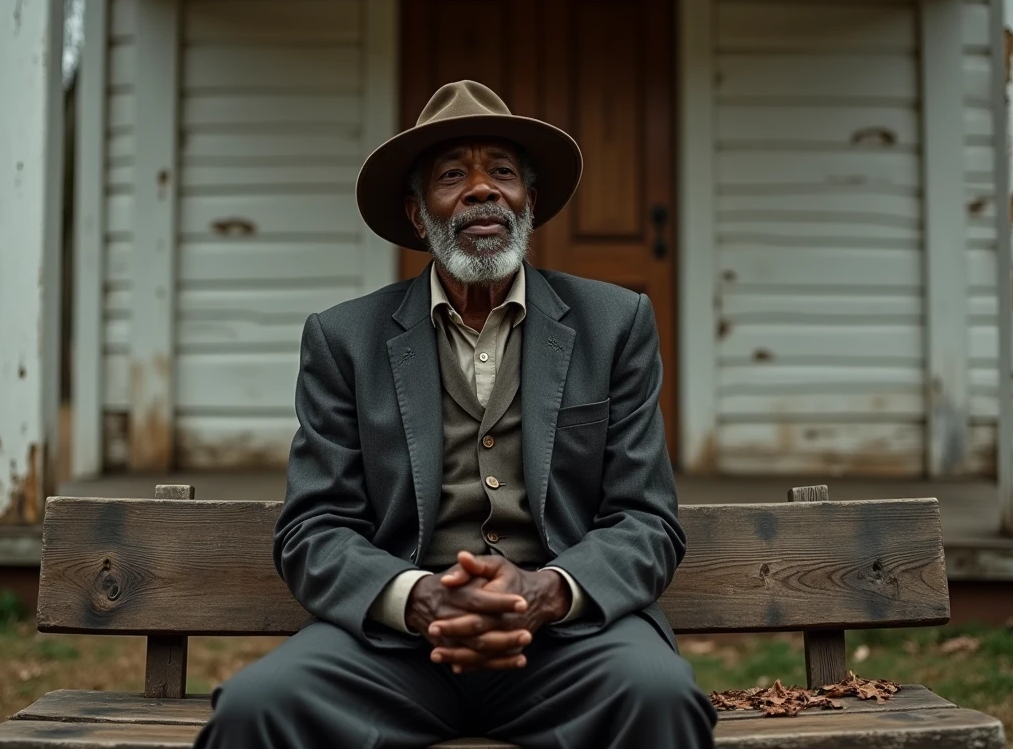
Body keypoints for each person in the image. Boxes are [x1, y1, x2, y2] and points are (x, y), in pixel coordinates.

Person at [194, 80, 718, 748]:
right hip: (393, 652)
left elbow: (647, 520)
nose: (481, 190)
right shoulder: (344, 339)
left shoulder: (615, 325)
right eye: (453, 176)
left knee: (659, 695)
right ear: (419, 215)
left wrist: (546, 592)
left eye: (501, 172)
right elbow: (313, 528)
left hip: (573, 645)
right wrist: (419, 600)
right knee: (255, 708)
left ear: (530, 202)